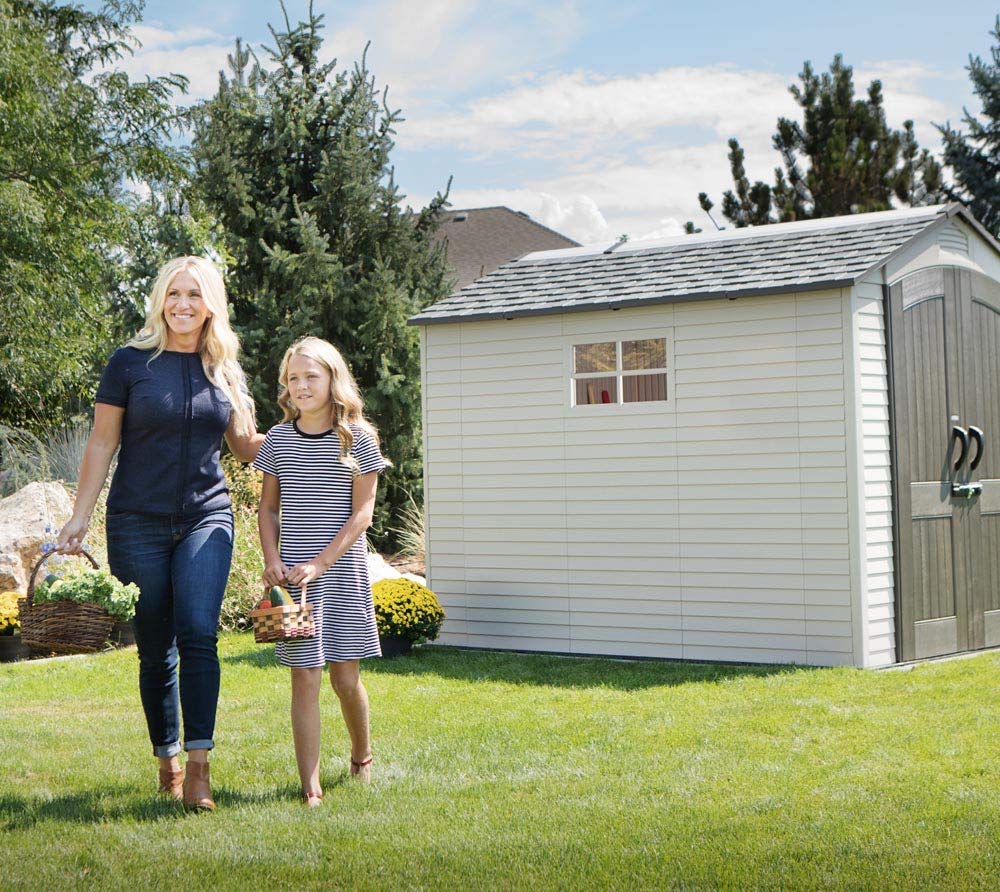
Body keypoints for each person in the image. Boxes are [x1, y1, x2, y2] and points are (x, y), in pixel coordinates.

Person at [57, 256, 263, 812]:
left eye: (194, 294)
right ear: (160, 301)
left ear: (211, 305)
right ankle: (166, 759)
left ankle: (199, 767)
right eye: (174, 293)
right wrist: (79, 516)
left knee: (198, 631)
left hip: (206, 516)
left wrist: (310, 430)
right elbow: (102, 442)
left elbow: (247, 449)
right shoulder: (130, 362)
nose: (183, 305)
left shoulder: (223, 369)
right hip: (135, 521)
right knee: (154, 647)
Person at [254, 336, 387, 805]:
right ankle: (310, 786)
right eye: (293, 378)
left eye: (311, 376)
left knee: (344, 680)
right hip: (296, 582)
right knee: (305, 677)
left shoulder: (358, 439)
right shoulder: (277, 440)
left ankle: (362, 755)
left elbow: (363, 514)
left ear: (333, 379)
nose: (302, 386)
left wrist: (321, 562)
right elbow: (268, 509)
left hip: (341, 573)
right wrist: (272, 560)